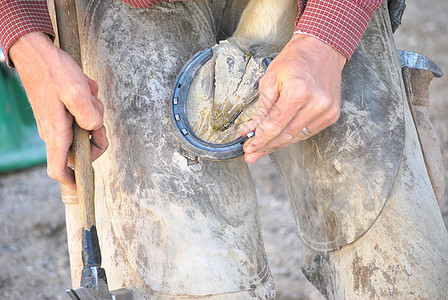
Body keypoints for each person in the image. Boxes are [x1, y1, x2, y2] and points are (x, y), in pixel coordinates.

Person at [1, 0, 448, 299]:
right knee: (181, 278)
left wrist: (330, 33)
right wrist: (24, 37)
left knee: (402, 270)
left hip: (312, 7)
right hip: (129, 7)